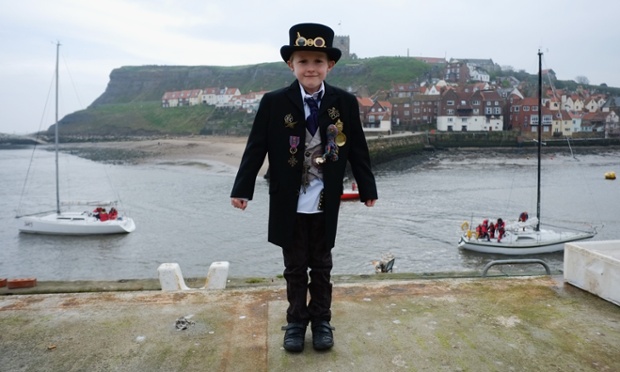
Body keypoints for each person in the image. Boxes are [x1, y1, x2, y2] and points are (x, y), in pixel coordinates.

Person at [230, 23, 378, 353]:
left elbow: (357, 149)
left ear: (330, 65)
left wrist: (367, 188)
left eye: (318, 62)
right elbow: (256, 147)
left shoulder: (345, 102)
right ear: (291, 65)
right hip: (288, 202)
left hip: (326, 202)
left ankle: (322, 320)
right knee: (294, 267)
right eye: (303, 61)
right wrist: (243, 188)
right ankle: (296, 321)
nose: (310, 68)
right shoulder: (273, 102)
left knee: (322, 266)